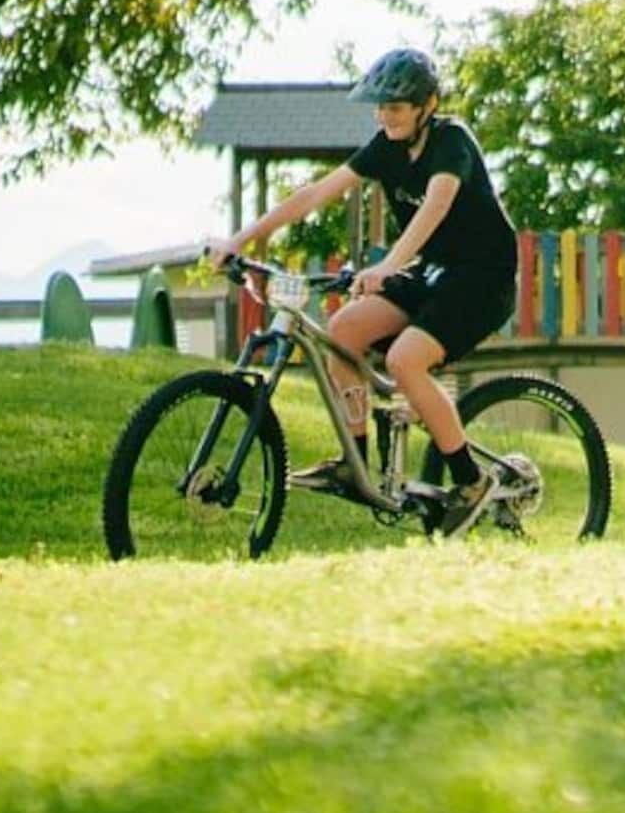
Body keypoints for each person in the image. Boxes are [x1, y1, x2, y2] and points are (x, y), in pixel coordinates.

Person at [207, 47, 526, 536]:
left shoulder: (451, 142)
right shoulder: (386, 147)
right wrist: (240, 240)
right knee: (344, 331)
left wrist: (388, 267)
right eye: (380, 107)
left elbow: (435, 207)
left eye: (395, 107)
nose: (385, 116)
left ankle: (470, 481)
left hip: (483, 277)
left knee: (405, 360)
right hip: (434, 270)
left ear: (427, 106)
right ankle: (353, 463)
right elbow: (313, 194)